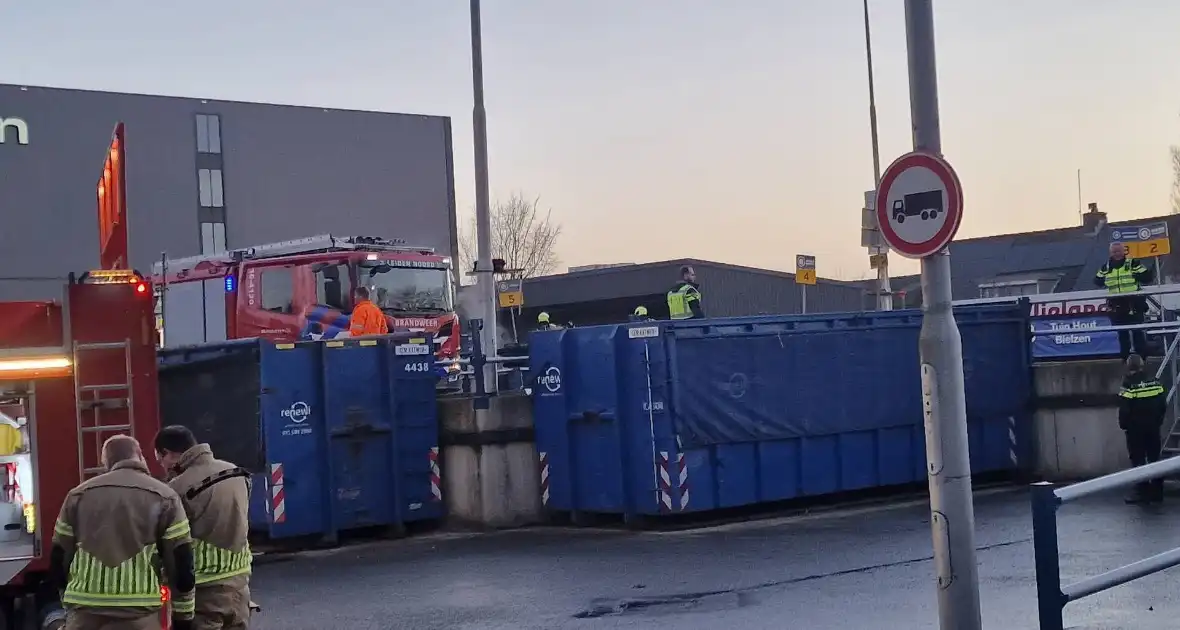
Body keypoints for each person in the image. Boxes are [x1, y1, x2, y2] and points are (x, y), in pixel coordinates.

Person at [51, 435, 195, 630]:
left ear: (106, 462)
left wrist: (68, 604)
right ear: (140, 457)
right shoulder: (165, 496)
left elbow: (59, 557)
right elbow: (181, 561)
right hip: (139, 616)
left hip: (85, 614)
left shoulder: (77, 495)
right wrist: (183, 617)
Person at [155, 426, 253, 630]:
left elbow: (170, 543)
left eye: (160, 459)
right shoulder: (236, 472)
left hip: (204, 593)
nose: (162, 467)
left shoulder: (176, 489)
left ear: (168, 453)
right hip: (240, 587)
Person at [1118, 354, 1167, 504]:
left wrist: (1124, 424)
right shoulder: (1154, 381)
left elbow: (1124, 409)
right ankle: (1158, 492)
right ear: (1141, 365)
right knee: (1155, 459)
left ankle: (1142, 492)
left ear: (1128, 366)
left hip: (1135, 429)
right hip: (1153, 426)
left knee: (1138, 460)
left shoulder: (1128, 384)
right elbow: (1162, 404)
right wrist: (1158, 420)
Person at [1094, 242, 1152, 359]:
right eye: (1114, 251)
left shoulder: (1133, 263)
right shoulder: (1106, 267)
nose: (1117, 254)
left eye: (1119, 251)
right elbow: (1097, 281)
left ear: (1123, 251)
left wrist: (1137, 276)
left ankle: (1142, 357)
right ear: (1111, 252)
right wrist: (1104, 279)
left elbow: (1147, 277)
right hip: (1116, 303)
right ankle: (1125, 359)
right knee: (1122, 333)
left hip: (1133, 302)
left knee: (1137, 331)